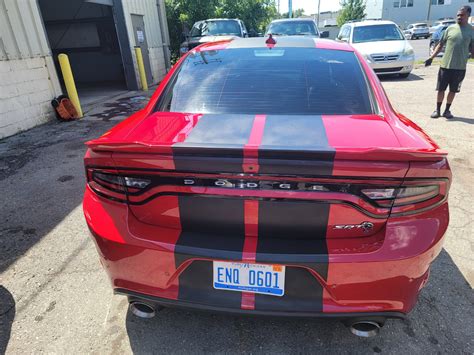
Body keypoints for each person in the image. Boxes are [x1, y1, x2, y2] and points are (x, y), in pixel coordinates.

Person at [425, 5, 473, 119]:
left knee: (453, 90)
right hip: (445, 66)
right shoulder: (450, 28)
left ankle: (447, 110)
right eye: (458, 15)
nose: (459, 17)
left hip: (460, 67)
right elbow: (440, 44)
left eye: (462, 15)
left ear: (468, 15)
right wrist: (431, 57)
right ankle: (437, 110)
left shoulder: (471, 31)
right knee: (441, 89)